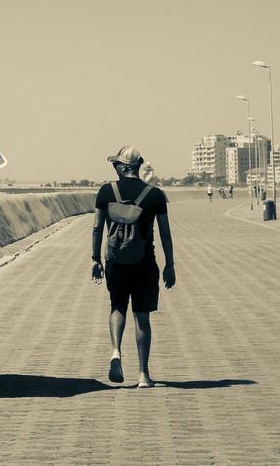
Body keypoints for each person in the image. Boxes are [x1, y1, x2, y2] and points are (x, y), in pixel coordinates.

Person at [91, 146, 175, 388]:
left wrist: (95, 259)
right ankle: (143, 375)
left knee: (117, 306)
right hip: (145, 261)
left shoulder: (107, 191)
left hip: (115, 261)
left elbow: (97, 228)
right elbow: (165, 234)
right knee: (142, 317)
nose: (114, 168)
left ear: (126, 166)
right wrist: (170, 264)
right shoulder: (155, 195)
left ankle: (116, 351)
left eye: (116, 164)